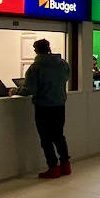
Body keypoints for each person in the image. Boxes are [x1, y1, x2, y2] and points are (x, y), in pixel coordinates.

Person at [21, 38, 72, 178]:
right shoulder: (63, 64)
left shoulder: (35, 68)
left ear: (36, 50)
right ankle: (66, 166)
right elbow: (65, 79)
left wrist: (15, 91)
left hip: (43, 107)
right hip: (59, 106)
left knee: (46, 139)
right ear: (49, 48)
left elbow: (29, 89)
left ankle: (53, 168)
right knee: (59, 136)